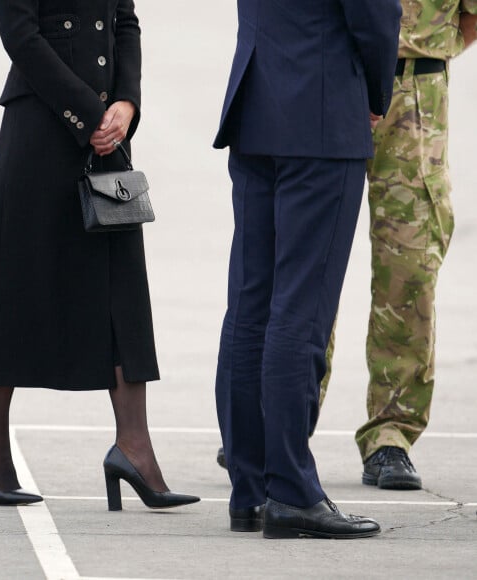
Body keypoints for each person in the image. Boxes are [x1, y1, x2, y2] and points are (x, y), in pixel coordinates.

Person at [0, 0, 199, 511]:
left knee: (121, 288)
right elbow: (20, 35)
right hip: (42, 124)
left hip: (107, 131)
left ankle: (135, 447)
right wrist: (87, 114)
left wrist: (126, 103)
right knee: (16, 281)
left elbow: (124, 22)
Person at [213, 0, 401, 539]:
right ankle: (292, 492)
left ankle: (249, 491)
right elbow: (375, 17)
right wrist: (375, 93)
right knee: (301, 310)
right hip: (320, 110)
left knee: (250, 308)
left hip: (257, 100)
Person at [319, 0, 477, 491]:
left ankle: (392, 434)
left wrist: (422, 53)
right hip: (331, 78)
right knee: (311, 256)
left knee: (409, 267)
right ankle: (277, 420)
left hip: (415, 93)